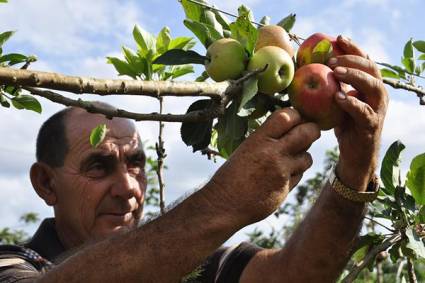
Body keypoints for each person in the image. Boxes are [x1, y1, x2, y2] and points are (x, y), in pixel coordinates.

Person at [0, 35, 388, 282]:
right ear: (46, 183)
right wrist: (225, 202)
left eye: (136, 163)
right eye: (98, 166)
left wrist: (355, 167)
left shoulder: (188, 262)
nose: (128, 188)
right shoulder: (13, 266)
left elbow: (297, 275)